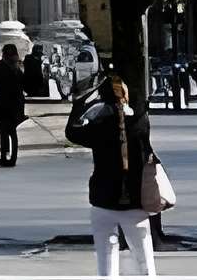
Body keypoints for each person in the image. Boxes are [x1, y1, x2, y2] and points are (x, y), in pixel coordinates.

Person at [67, 75, 156, 277]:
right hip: (134, 202)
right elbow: (140, 108)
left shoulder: (98, 126)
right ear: (125, 96)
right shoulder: (139, 124)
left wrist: (82, 101)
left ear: (103, 97)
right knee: (145, 264)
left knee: (106, 263)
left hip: (103, 200)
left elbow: (72, 132)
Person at [0, 43, 27, 168]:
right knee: (12, 131)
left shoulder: (1, 66)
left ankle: (4, 156)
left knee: (4, 130)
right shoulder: (18, 67)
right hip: (16, 102)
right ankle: (12, 158)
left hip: (4, 102)